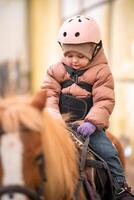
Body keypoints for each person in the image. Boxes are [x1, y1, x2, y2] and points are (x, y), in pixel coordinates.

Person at [40, 15, 134, 200]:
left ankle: (120, 188)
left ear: (95, 50)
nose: (74, 60)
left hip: (88, 126)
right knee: (34, 150)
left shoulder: (102, 72)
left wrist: (92, 122)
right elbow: (49, 94)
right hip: (59, 123)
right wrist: (53, 117)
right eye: (69, 55)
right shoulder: (55, 70)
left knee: (109, 151)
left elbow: (104, 101)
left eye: (80, 55)